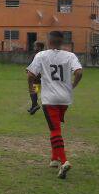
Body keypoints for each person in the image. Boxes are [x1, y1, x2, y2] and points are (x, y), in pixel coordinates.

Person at [26, 31, 83, 179]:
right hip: (65, 99)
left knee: (55, 130)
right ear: (62, 42)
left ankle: (64, 161)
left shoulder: (42, 55)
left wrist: (30, 87)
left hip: (50, 99)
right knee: (55, 126)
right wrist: (72, 86)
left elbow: (31, 75)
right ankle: (54, 158)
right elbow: (79, 72)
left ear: (48, 40)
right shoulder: (70, 56)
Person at [27, 41, 46, 115]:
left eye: (35, 46)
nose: (34, 48)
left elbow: (33, 65)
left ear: (39, 47)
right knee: (37, 91)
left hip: (37, 76)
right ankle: (33, 106)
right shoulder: (45, 55)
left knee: (33, 90)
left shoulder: (36, 55)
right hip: (45, 76)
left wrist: (29, 70)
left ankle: (35, 105)